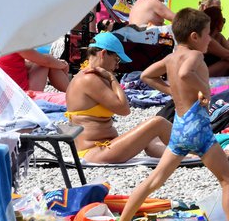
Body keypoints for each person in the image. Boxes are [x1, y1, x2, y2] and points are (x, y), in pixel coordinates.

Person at [114, 9, 229, 221]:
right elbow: (186, 72)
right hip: (198, 128)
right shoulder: (195, 56)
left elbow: (147, 75)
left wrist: (172, 91)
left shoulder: (169, 58)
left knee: (155, 180)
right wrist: (205, 89)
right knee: (228, 180)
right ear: (194, 36)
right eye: (208, 34)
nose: (211, 39)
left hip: (179, 126)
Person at [65, 32, 171, 163]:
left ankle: (186, 156)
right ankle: (197, 150)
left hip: (103, 147)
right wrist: (112, 79)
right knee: (158, 123)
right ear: (103, 53)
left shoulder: (88, 76)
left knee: (153, 139)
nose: (117, 65)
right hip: (95, 151)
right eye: (117, 59)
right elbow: (124, 109)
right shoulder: (89, 79)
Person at [0, 50, 69, 92]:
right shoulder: (16, 44)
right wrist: (64, 65)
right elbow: (46, 61)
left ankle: (70, 90)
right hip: (24, 93)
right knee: (49, 61)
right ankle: (71, 91)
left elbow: (17, 66)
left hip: (6, 93)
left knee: (50, 62)